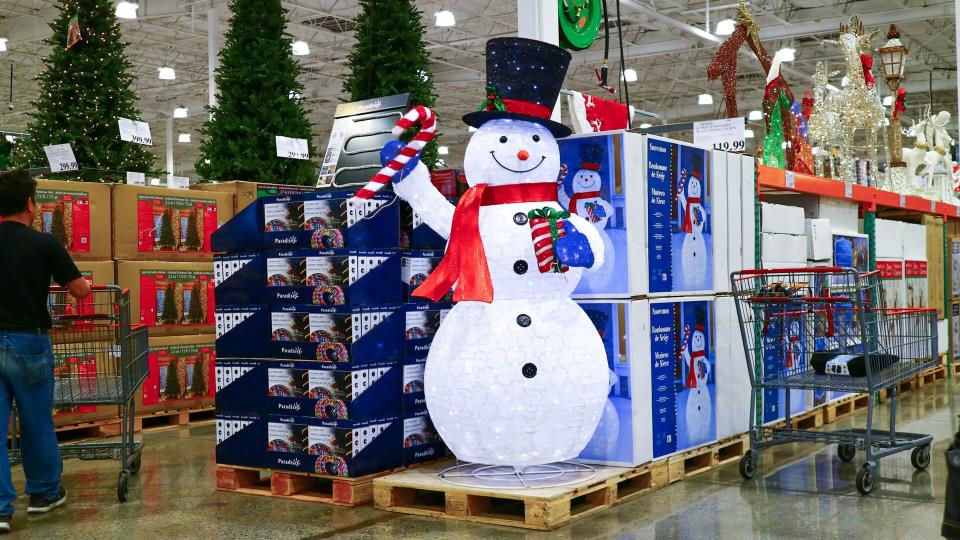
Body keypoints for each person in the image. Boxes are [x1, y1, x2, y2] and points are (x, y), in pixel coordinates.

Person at [0, 169, 90, 532]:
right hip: (28, 344)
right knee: (36, 422)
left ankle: (2, 510)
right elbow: (81, 290)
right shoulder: (44, 244)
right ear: (29, 203)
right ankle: (42, 494)